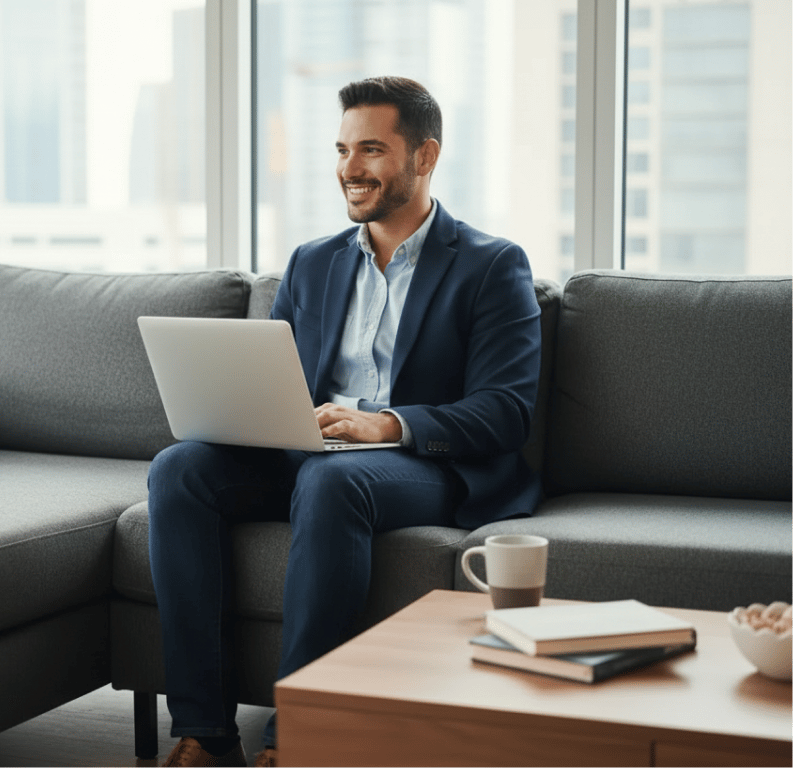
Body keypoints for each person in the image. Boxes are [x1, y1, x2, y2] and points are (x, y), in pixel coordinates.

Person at [148, 76, 542, 768]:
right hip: (309, 450)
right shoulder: (312, 262)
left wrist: (387, 425)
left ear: (423, 158)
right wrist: (252, 411)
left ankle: (298, 737)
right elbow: (273, 377)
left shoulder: (490, 265)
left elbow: (505, 411)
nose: (348, 169)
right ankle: (203, 733)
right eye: (339, 150)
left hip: (415, 464)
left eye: (369, 149)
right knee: (179, 468)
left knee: (336, 484)